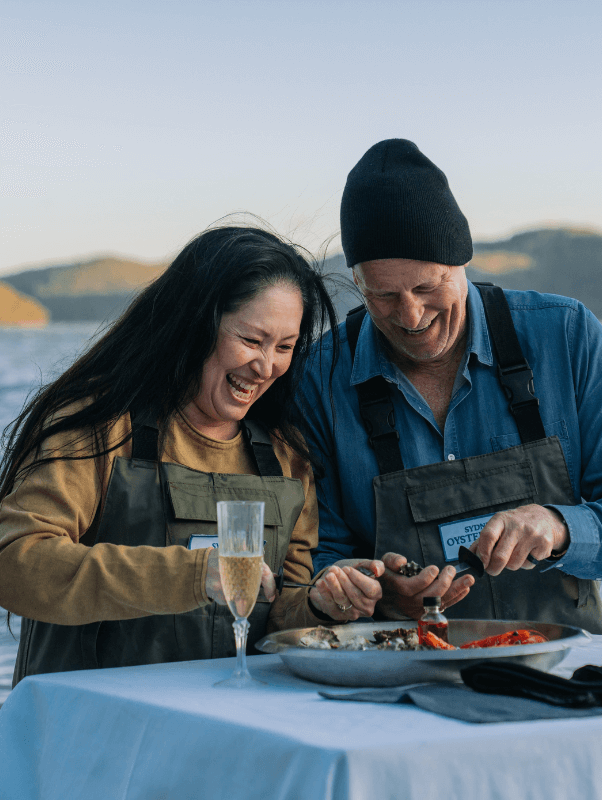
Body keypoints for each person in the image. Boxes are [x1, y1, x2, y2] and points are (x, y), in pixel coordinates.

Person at [297, 139, 602, 634]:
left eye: (429, 287)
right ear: (359, 284)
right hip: (400, 672)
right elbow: (318, 554)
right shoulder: (319, 374)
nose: (411, 316)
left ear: (463, 264)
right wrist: (365, 590)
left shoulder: (567, 334)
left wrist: (559, 527)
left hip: (561, 669)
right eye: (383, 295)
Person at [0, 224, 380, 686]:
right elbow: (16, 563)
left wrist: (322, 605)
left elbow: (282, 614)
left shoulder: (286, 455)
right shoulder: (98, 425)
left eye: (284, 347)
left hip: (223, 733)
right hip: (90, 730)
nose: (266, 367)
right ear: (197, 322)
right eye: (251, 339)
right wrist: (193, 575)